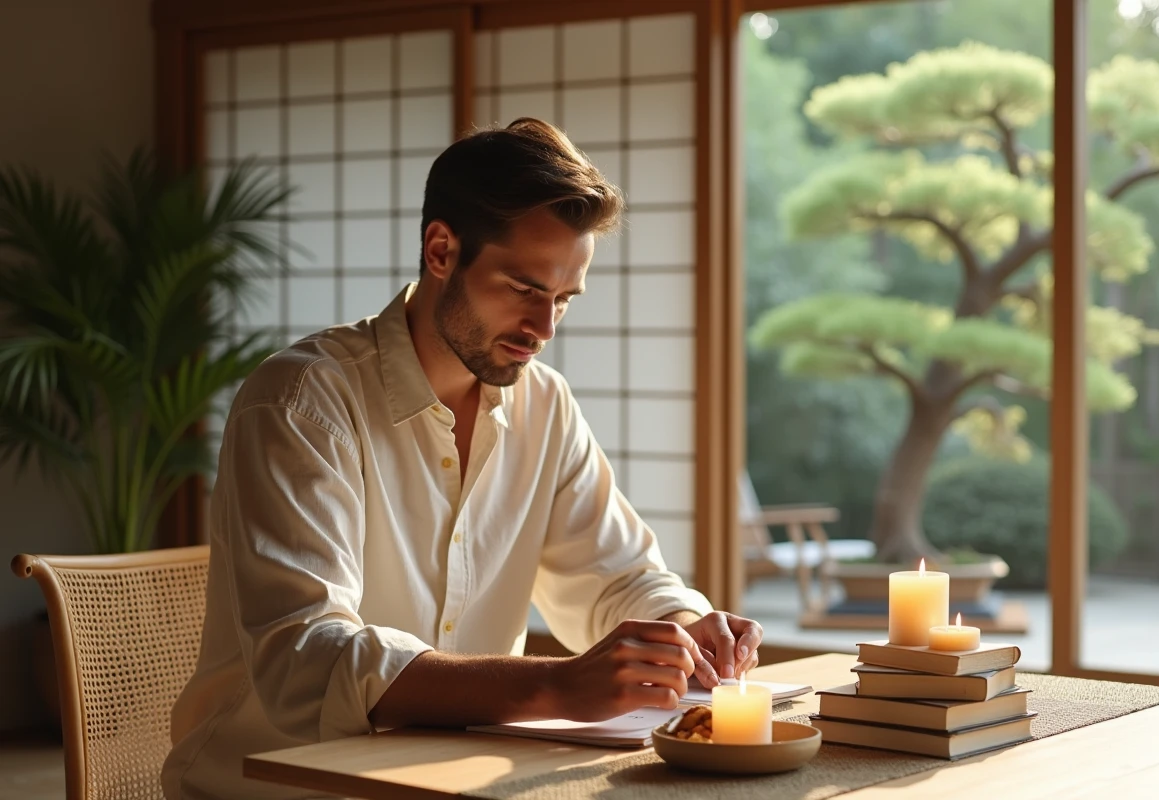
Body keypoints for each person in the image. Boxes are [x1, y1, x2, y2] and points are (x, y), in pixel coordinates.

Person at [162, 117, 763, 800]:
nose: (543, 330)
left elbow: (616, 577)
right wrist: (554, 683)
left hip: (451, 781)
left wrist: (685, 628)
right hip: (272, 785)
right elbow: (307, 658)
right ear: (441, 250)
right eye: (524, 289)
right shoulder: (303, 402)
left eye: (563, 300)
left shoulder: (545, 406)